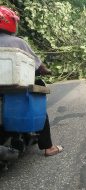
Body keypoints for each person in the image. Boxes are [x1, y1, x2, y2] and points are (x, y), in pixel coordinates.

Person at [0, 6, 63, 156]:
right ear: (10, 23)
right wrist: (46, 70)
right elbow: (38, 65)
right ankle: (48, 147)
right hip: (13, 89)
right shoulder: (18, 42)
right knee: (38, 103)